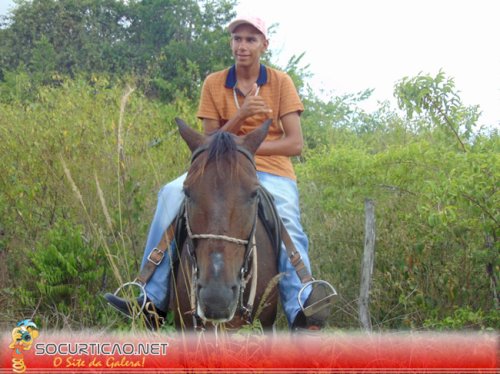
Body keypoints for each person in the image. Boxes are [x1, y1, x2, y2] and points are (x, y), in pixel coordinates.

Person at [105, 16, 334, 331]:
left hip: (271, 171)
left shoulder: (280, 82)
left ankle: (302, 306)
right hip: (216, 171)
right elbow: (207, 143)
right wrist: (241, 117)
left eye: (251, 40)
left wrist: (245, 150)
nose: (242, 46)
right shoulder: (214, 82)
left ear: (264, 45)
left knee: (288, 219)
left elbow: (295, 143)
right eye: (237, 39)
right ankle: (150, 297)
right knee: (171, 193)